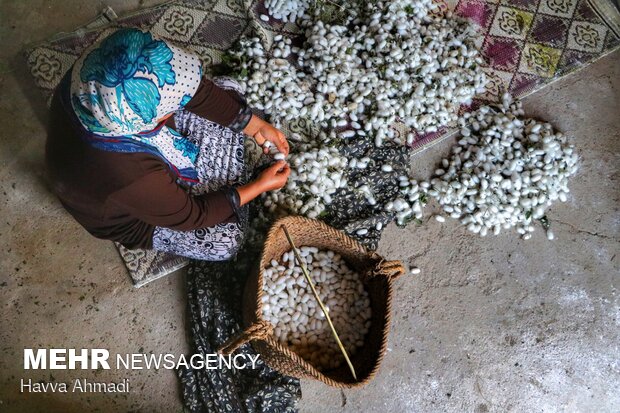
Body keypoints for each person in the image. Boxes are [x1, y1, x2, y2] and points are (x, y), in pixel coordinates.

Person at [45, 28, 291, 260]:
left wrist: (256, 126)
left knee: (229, 90)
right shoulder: (131, 174)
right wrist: (259, 185)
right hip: (132, 214)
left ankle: (206, 165)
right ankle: (217, 181)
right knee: (226, 242)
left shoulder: (90, 79)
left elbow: (199, 93)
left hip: (116, 160)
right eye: (168, 110)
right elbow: (193, 216)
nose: (180, 104)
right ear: (146, 122)